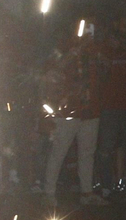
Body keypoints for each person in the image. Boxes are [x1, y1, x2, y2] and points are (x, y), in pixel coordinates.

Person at [40, 22, 103, 206]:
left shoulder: (95, 50)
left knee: (87, 153)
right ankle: (49, 193)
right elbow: (54, 69)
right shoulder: (62, 48)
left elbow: (103, 71)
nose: (88, 34)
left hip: (90, 109)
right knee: (59, 151)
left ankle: (87, 193)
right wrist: (76, 50)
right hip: (67, 109)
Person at [94, 12, 126, 196]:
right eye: (124, 25)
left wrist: (123, 47)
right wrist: (104, 62)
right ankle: (106, 185)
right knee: (106, 147)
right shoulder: (105, 45)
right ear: (116, 25)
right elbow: (100, 74)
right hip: (109, 104)